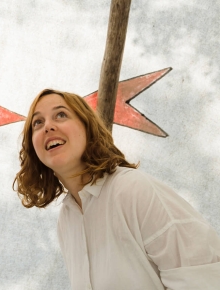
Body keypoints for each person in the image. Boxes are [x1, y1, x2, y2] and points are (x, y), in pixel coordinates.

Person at [14, 88, 220, 290]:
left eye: (61, 115)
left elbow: (203, 279)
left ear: (88, 128)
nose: (48, 126)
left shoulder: (133, 189)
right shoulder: (67, 220)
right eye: (37, 122)